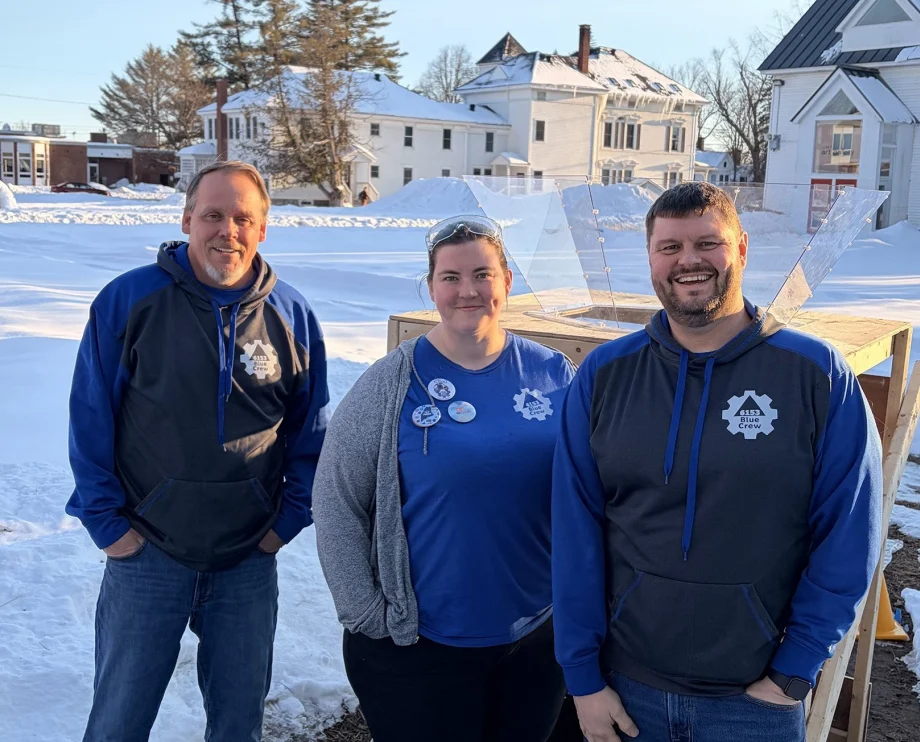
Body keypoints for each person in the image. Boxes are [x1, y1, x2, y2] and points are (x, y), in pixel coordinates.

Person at [551, 182, 882, 742]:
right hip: (627, 691)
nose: (689, 262)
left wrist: (794, 671)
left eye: (708, 243)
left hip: (756, 700)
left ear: (742, 248)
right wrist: (582, 679)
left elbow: (850, 532)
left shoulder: (813, 373)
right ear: (651, 257)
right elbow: (574, 531)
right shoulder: (605, 374)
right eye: (670, 247)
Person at [66, 160, 330, 742]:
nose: (226, 231)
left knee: (238, 724)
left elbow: (310, 434)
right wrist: (108, 524)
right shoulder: (130, 300)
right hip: (148, 553)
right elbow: (90, 418)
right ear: (188, 219)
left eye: (243, 218)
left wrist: (284, 524)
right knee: (118, 721)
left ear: (263, 228)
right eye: (213, 215)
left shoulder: (292, 316)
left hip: (247, 561)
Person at [312, 215, 575, 742]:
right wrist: (364, 612)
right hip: (420, 645)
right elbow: (336, 499)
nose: (467, 290)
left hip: (533, 638)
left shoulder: (554, 375)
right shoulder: (390, 384)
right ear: (432, 286)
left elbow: (589, 493)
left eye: (482, 274)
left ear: (506, 281)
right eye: (451, 277)